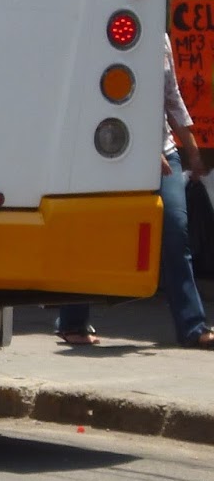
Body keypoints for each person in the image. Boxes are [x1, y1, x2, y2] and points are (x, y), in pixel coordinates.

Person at [57, 35, 214, 349]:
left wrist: (192, 149)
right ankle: (72, 321)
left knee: (175, 230)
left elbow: (172, 96)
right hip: (113, 148)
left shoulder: (161, 39)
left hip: (164, 151)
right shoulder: (106, 31)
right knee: (97, 230)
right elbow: (98, 96)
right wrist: (141, 147)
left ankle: (192, 325)